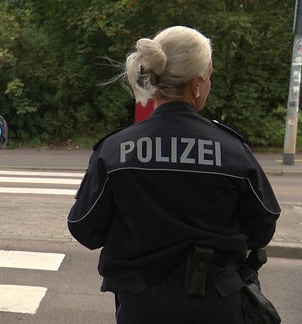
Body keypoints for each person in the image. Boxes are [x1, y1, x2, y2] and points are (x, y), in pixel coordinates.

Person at [67, 26, 281, 323]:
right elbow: (262, 228)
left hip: (142, 305)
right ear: (196, 83)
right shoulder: (232, 150)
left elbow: (84, 228)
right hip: (218, 303)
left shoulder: (115, 150)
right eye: (209, 78)